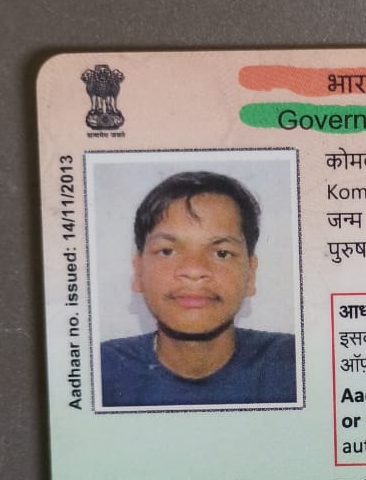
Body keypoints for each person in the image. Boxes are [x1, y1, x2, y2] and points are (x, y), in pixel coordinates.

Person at [100, 171, 296, 407]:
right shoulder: (100, 370)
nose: (194, 270)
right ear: (139, 272)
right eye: (167, 251)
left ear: (250, 275)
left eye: (221, 253)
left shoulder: (295, 365)